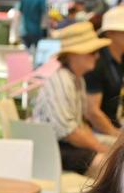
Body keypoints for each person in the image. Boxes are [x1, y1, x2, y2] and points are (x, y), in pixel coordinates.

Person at [33, 21, 112, 174]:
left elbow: (78, 127)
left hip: (60, 145)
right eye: (92, 52)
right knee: (109, 163)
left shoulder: (75, 79)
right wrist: (101, 148)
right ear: (73, 54)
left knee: (118, 151)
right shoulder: (61, 80)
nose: (97, 56)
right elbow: (70, 133)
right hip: (51, 150)